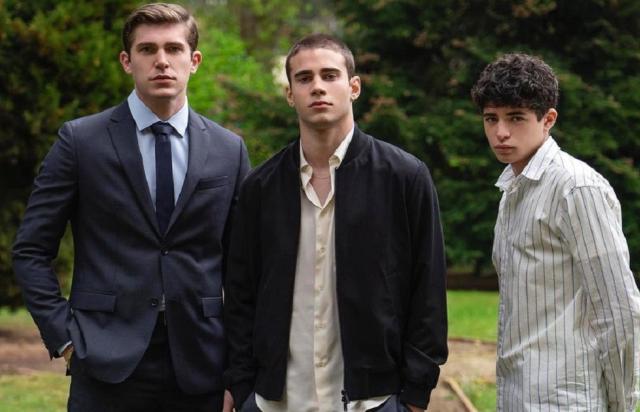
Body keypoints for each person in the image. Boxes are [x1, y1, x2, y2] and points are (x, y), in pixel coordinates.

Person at [12, 3, 249, 411]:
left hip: (202, 364)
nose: (162, 61)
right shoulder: (80, 141)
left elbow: (246, 268)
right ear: (127, 61)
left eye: (174, 49)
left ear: (194, 61)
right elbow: (30, 250)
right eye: (147, 49)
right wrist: (66, 339)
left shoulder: (229, 150)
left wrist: (239, 370)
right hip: (103, 361)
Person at [223, 33, 447, 412]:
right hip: (276, 400)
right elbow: (241, 295)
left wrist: (415, 395)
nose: (318, 87)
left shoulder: (405, 178)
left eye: (329, 75)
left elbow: (428, 291)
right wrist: (243, 385)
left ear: (353, 87)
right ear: (290, 94)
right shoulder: (260, 187)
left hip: (373, 400)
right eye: (304, 78)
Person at [471, 53, 640, 411]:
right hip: (517, 396)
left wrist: (622, 404)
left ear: (548, 119)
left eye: (516, 117)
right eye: (491, 118)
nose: (501, 132)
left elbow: (620, 310)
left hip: (568, 400)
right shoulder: (512, 189)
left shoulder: (576, 188)